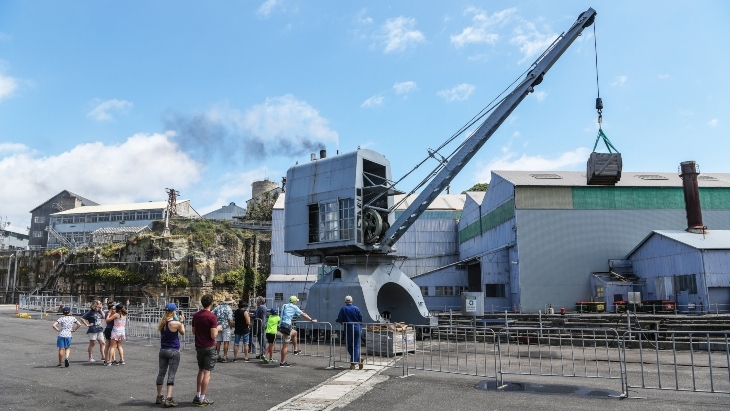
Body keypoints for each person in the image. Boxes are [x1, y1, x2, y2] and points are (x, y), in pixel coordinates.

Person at [192, 294, 223, 406]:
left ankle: (198, 394)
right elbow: (213, 335)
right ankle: (202, 398)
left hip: (199, 346)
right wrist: (218, 328)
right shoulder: (212, 317)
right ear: (211, 303)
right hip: (209, 346)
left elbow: (193, 331)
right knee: (207, 372)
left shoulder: (196, 315)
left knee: (200, 370)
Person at [155, 303, 185, 408]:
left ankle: (159, 396)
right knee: (171, 374)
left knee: (161, 373)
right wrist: (181, 321)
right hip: (173, 350)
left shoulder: (163, 323)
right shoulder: (176, 323)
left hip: (163, 350)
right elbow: (183, 332)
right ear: (173, 312)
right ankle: (169, 398)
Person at [278, 295, 316, 367]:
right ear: (294, 301)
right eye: (296, 301)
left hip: (281, 325)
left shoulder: (284, 305)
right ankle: (282, 362)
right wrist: (311, 320)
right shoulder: (294, 307)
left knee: (295, 333)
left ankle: (296, 350)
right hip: (287, 326)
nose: (296, 302)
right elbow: (303, 314)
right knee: (285, 346)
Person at [336, 295, 364, 370]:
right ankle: (358, 358)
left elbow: (340, 319)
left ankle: (353, 364)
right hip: (357, 328)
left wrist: (341, 322)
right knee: (356, 345)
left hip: (348, 328)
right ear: (352, 301)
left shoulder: (343, 309)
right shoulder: (356, 308)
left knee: (349, 346)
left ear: (345, 301)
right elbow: (360, 318)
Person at [211, 296, 234, 363]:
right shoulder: (229, 309)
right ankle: (224, 356)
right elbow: (230, 320)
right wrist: (231, 326)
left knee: (218, 341)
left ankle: (217, 355)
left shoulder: (218, 307)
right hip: (226, 326)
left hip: (218, 325)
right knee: (226, 341)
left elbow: (212, 313)